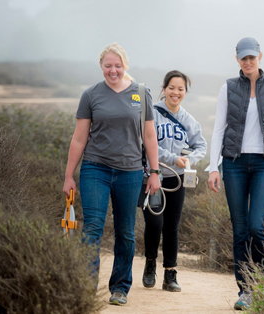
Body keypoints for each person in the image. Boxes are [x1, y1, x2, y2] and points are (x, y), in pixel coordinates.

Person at [62, 42, 162, 306]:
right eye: (108, 66)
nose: (113, 71)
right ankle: (85, 287)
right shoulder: (91, 95)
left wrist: (154, 172)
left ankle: (120, 288)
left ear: (125, 66)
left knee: (125, 232)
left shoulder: (141, 93)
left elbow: (150, 136)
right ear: (101, 67)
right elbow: (79, 138)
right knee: (93, 227)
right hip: (95, 168)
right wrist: (68, 175)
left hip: (130, 172)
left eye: (118, 66)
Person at [206, 37, 264, 311]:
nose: (247, 62)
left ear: (260, 56)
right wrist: (213, 167)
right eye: (243, 58)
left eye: (251, 57)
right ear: (237, 59)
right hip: (234, 164)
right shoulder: (228, 88)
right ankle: (245, 291)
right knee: (240, 230)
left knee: (257, 225)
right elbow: (219, 129)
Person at [141, 70, 207, 292]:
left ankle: (170, 273)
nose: (175, 92)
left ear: (185, 92)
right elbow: (147, 142)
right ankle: (150, 263)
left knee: (171, 227)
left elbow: (202, 146)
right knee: (154, 223)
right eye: (171, 88)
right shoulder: (153, 113)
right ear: (164, 89)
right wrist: (172, 159)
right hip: (153, 176)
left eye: (180, 89)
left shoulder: (189, 120)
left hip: (177, 180)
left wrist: (188, 160)